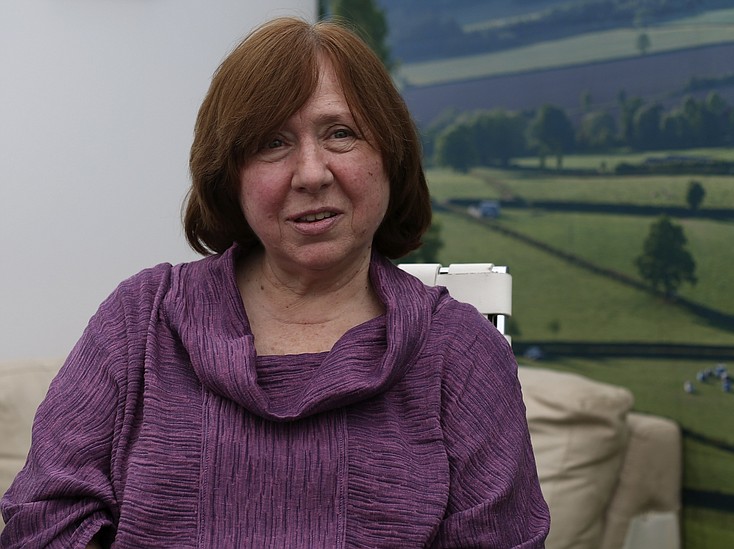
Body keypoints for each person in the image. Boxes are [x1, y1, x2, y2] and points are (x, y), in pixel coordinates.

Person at [1, 17, 549, 548]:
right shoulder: (140, 320)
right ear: (230, 175)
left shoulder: (462, 352)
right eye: (272, 143)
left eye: (341, 134)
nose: (312, 173)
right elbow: (44, 522)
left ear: (391, 154)